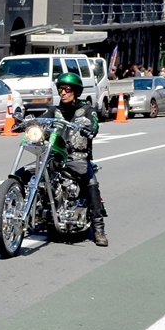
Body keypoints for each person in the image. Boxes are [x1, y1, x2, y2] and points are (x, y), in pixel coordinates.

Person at [44, 72, 107, 247]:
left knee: (91, 183)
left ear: (76, 91)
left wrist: (90, 129)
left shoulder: (87, 110)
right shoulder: (54, 111)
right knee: (28, 173)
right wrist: (29, 123)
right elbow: (41, 120)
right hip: (55, 156)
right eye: (60, 89)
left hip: (77, 158)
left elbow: (94, 123)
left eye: (67, 89)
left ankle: (98, 227)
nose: (63, 92)